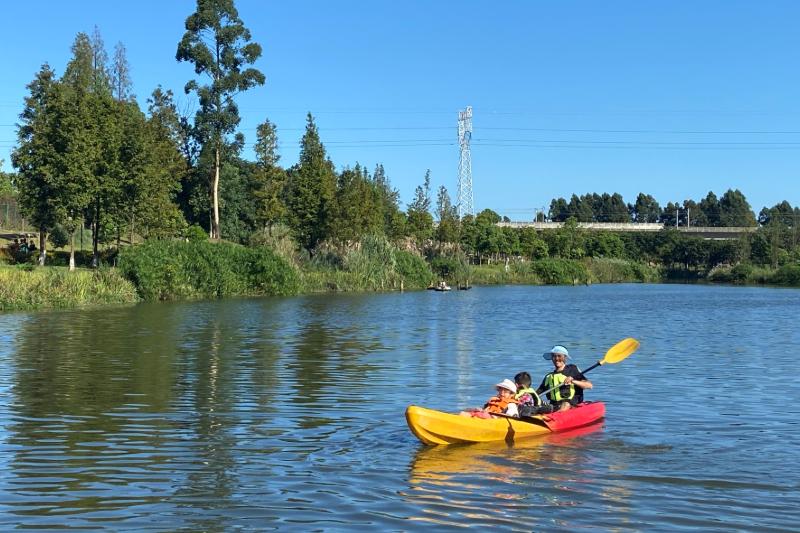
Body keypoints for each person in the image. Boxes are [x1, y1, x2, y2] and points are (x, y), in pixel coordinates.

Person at [532, 345, 592, 414]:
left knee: (566, 403)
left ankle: (554, 417)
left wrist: (573, 381)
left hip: (571, 404)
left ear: (565, 357)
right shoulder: (549, 377)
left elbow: (589, 385)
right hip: (554, 405)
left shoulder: (572, 369)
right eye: (554, 356)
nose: (556, 359)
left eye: (559, 356)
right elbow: (536, 394)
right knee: (536, 400)